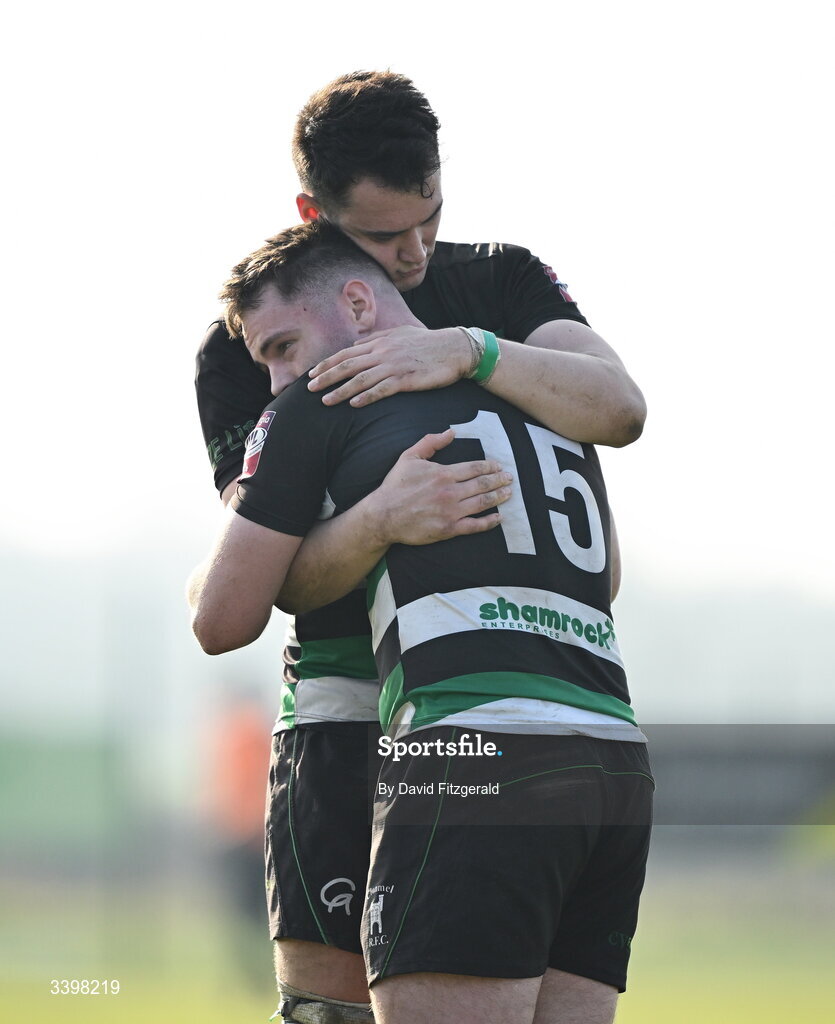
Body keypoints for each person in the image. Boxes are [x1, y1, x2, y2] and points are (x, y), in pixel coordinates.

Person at [193, 71, 645, 1021]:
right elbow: (276, 577)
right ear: (317, 216)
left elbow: (619, 408)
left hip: (468, 718)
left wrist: (467, 349)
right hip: (351, 713)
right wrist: (384, 519)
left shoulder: (499, 284)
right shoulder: (269, 341)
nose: (414, 254)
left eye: (428, 219)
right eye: (383, 236)